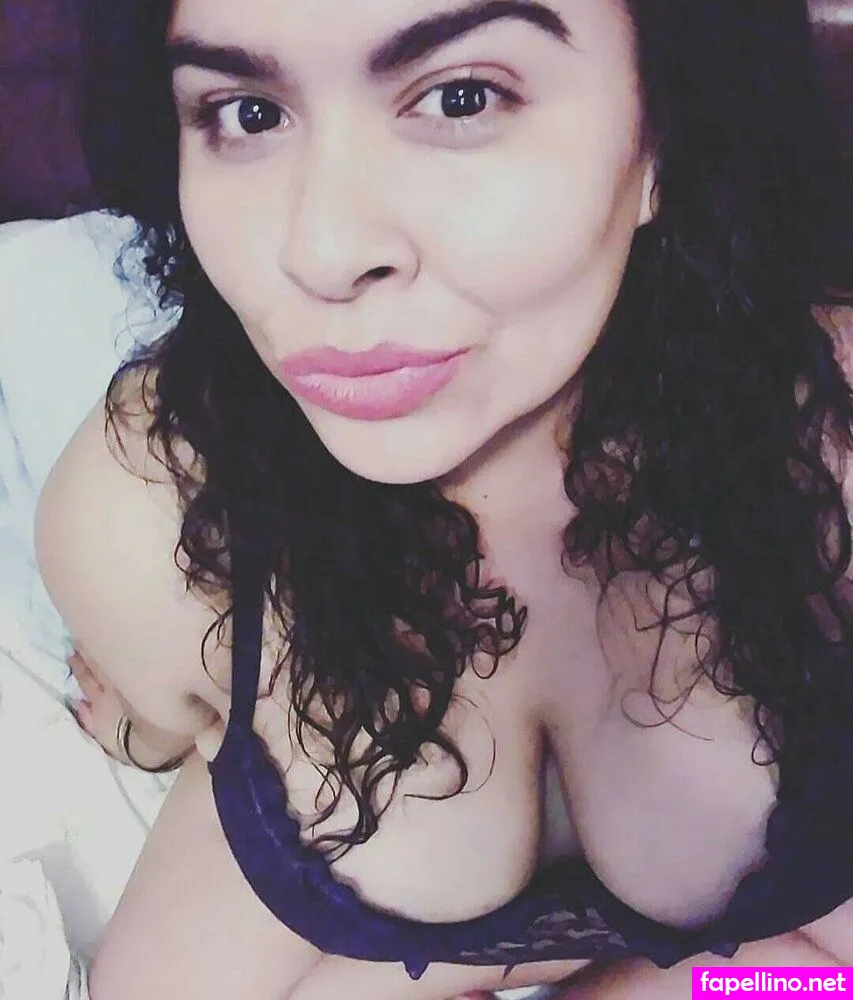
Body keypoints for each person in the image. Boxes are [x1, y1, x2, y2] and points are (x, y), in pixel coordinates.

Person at [35, 0, 853, 996]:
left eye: (461, 98)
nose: (321, 251)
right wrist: (145, 723)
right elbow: (161, 703)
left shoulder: (829, 446)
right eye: (247, 113)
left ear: (665, 127)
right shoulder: (145, 512)